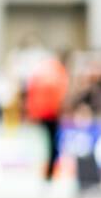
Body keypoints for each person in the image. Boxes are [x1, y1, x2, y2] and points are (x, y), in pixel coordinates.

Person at [25, 51, 69, 181]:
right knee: (52, 145)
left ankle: (47, 172)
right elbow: (60, 95)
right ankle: (49, 173)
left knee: (46, 144)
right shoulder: (58, 72)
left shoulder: (42, 71)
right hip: (51, 114)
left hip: (41, 113)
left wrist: (32, 112)